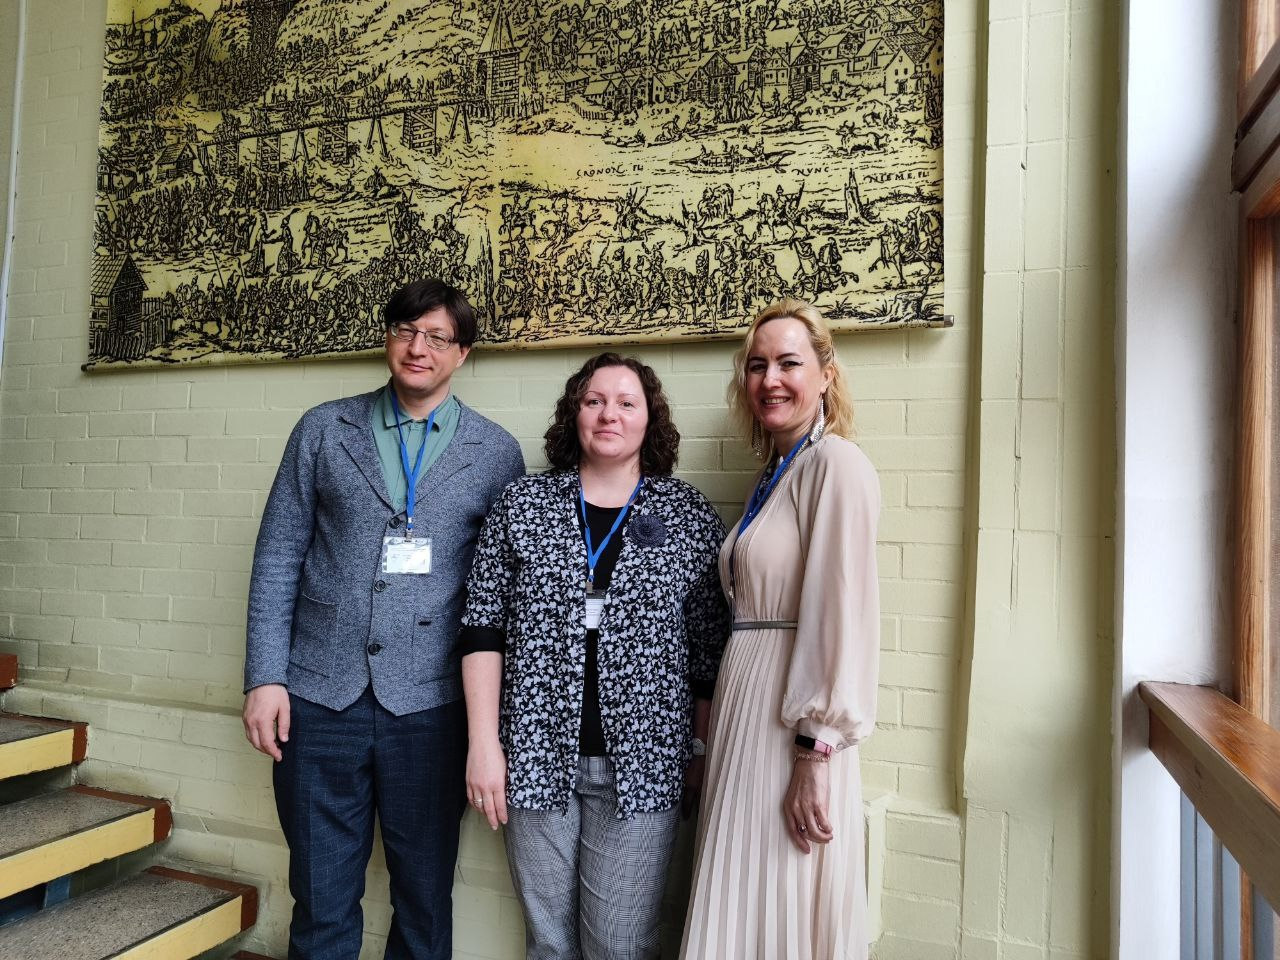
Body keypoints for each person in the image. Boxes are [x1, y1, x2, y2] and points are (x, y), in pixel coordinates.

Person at [242, 279, 525, 959]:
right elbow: (278, 555)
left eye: (437, 337)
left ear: (462, 354)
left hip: (432, 708)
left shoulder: (496, 452)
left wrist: (492, 726)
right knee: (321, 899)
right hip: (316, 699)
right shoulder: (322, 430)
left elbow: (499, 595)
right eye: (405, 330)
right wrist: (264, 677)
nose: (417, 347)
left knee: (424, 903)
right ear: (388, 337)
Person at [460, 352, 730, 960]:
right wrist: (483, 744)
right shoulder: (523, 506)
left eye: (627, 403)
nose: (610, 414)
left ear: (649, 420)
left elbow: (708, 652)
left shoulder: (685, 515)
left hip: (645, 764)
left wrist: (700, 753)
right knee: (549, 944)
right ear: (574, 414)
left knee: (619, 944)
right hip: (533, 756)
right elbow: (482, 628)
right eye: (594, 401)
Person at [680, 299, 881, 960]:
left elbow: (843, 613)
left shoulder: (836, 465)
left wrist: (814, 752)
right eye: (757, 365)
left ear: (826, 373)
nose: (770, 379)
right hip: (746, 707)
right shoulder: (775, 473)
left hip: (792, 724)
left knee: (782, 892)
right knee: (740, 898)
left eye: (788, 363)